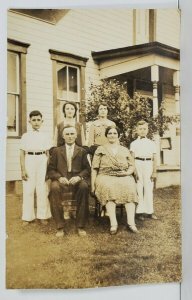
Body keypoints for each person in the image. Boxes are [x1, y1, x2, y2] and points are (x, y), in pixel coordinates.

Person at [91, 126, 138, 235]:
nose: (112, 135)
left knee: (130, 188)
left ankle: (131, 223)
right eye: (110, 133)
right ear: (106, 135)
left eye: (114, 133)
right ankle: (113, 224)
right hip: (105, 175)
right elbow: (94, 168)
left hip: (123, 175)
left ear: (118, 135)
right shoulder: (100, 149)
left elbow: (132, 166)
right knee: (109, 188)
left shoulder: (124, 149)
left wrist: (127, 173)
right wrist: (93, 185)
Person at [47, 125, 90, 237]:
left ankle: (80, 226)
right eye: (67, 134)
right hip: (62, 180)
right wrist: (59, 177)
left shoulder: (82, 151)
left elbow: (87, 169)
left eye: (72, 134)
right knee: (54, 188)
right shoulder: (56, 151)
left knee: (84, 187)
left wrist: (79, 177)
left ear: (76, 135)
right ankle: (60, 226)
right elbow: (50, 170)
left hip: (76, 181)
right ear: (63, 136)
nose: (70, 136)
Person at [20, 110, 52, 226]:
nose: (36, 122)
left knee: (42, 188)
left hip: (42, 160)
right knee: (28, 189)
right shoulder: (25, 136)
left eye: (38, 120)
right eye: (34, 120)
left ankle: (43, 215)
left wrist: (48, 169)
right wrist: (23, 169)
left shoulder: (46, 136)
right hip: (29, 159)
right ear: (30, 121)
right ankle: (28, 217)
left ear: (42, 121)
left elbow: (48, 153)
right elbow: (22, 153)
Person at [130, 120, 158, 221]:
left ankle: (150, 211)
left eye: (144, 129)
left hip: (148, 164)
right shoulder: (134, 143)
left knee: (148, 188)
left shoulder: (151, 143)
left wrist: (154, 171)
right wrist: (134, 170)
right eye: (140, 129)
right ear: (137, 130)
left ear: (147, 130)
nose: (142, 131)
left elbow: (155, 158)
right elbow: (132, 158)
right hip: (138, 164)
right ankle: (140, 212)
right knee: (139, 188)